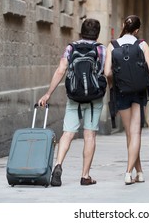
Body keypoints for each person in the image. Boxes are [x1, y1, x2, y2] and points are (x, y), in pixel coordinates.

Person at [38, 18, 106, 186]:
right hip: (94, 98)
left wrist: (48, 94)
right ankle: (85, 176)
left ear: (81, 32)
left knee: (67, 133)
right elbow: (106, 72)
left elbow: (61, 70)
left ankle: (58, 165)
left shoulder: (71, 48)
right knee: (89, 135)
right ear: (97, 34)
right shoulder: (101, 49)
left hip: (74, 97)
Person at [104, 15, 149, 185]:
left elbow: (107, 73)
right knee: (136, 133)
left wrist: (120, 76)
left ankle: (138, 172)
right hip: (139, 92)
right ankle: (129, 172)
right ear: (137, 30)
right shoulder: (142, 44)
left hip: (121, 92)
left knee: (129, 133)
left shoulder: (113, 45)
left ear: (123, 26)